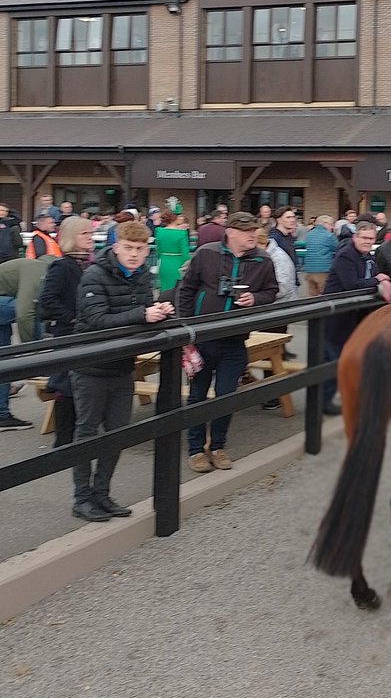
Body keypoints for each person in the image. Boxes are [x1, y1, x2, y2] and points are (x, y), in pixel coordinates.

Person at [70, 221, 174, 521]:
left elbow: (142, 315)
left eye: (140, 249)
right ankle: (82, 498)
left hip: (122, 366)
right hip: (90, 366)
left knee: (117, 434)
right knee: (87, 433)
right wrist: (143, 314)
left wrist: (159, 312)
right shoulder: (94, 275)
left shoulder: (141, 277)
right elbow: (97, 320)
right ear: (115, 247)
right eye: (128, 248)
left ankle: (102, 493)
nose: (134, 254)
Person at [178, 212, 278, 472]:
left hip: (235, 340)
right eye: (247, 231)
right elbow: (186, 289)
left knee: (226, 395)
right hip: (203, 338)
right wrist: (186, 329)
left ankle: (218, 446)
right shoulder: (206, 253)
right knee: (197, 395)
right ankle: (196, 450)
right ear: (230, 232)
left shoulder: (263, 260)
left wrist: (255, 299)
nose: (252, 235)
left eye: (254, 230)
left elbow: (272, 291)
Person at [320, 221, 391, 416]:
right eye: (364, 238)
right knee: (332, 357)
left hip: (352, 314)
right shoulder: (346, 255)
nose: (368, 242)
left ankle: (344, 397)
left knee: (347, 357)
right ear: (355, 237)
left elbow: (373, 277)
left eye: (371, 239)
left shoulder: (367, 257)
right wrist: (377, 280)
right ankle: (322, 402)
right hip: (335, 314)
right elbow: (351, 285)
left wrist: (380, 281)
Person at [36, 216, 96, 447]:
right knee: (67, 387)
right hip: (68, 334)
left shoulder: (89, 265)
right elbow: (48, 299)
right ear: (72, 237)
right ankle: (63, 444)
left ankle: (76, 443)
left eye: (91, 233)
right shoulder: (62, 266)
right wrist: (71, 318)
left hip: (85, 334)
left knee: (81, 386)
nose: (90, 237)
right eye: (84, 234)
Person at [0, 253, 55, 431]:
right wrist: (31, 350)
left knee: (3, 361)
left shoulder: (35, 267)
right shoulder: (38, 270)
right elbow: (24, 313)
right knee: (32, 309)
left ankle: (2, 415)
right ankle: (37, 360)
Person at [153, 209, 191, 294]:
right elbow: (185, 252)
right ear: (174, 218)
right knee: (176, 288)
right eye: (180, 216)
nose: (182, 218)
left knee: (164, 287)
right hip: (178, 263)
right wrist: (188, 263)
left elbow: (158, 250)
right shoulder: (181, 233)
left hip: (164, 262)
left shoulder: (159, 231)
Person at [303, 215, 338, 298]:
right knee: (324, 295)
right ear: (325, 223)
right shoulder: (329, 235)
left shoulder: (309, 234)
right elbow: (337, 248)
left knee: (312, 296)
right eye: (331, 224)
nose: (332, 227)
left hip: (309, 269)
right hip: (323, 269)